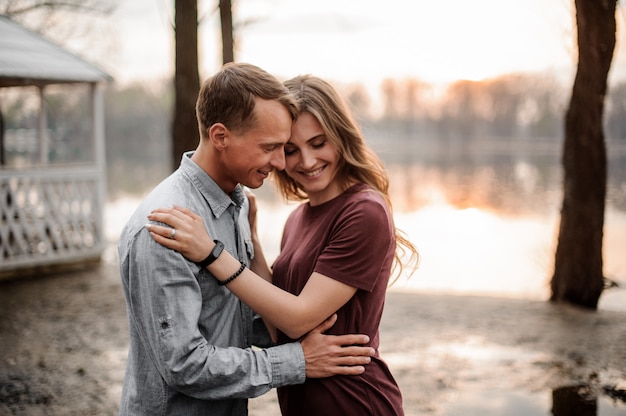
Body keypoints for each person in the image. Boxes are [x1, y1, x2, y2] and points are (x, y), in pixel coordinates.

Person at [146, 74, 419, 416]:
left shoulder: (363, 211)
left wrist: (212, 253)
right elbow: (278, 325)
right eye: (290, 150)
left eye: (319, 143)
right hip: (301, 402)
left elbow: (299, 319)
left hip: (354, 401)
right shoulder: (299, 217)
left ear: (341, 136)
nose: (305, 161)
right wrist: (254, 242)